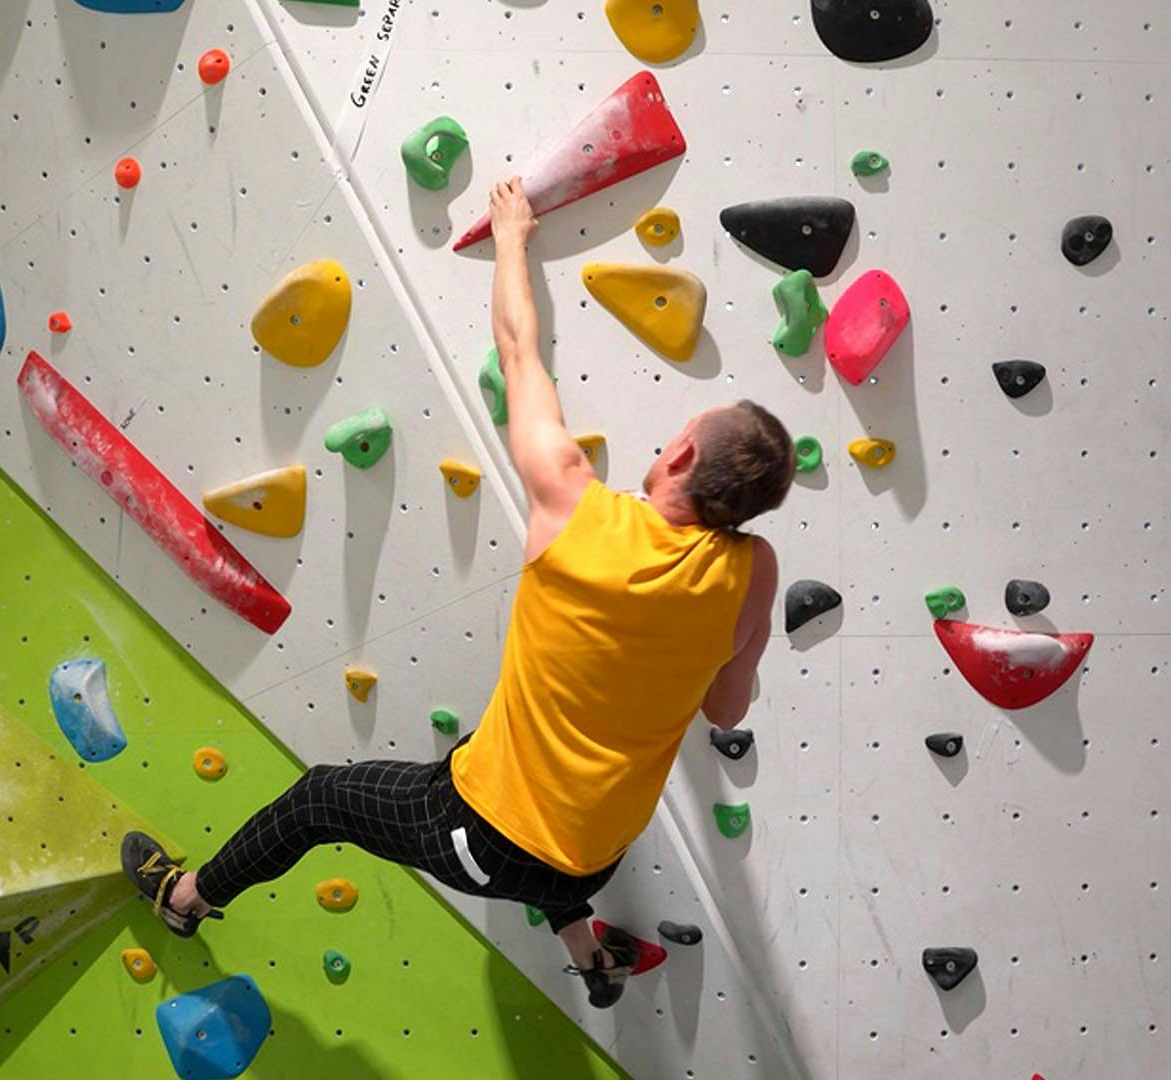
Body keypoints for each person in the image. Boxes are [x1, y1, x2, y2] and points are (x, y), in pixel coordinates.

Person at [122, 177, 790, 1008]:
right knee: (515, 764)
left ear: (682, 453)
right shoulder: (754, 571)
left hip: (486, 838)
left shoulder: (575, 508)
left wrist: (511, 238)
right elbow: (726, 708)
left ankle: (185, 899)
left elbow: (519, 355)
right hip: (598, 852)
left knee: (321, 796)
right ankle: (593, 960)